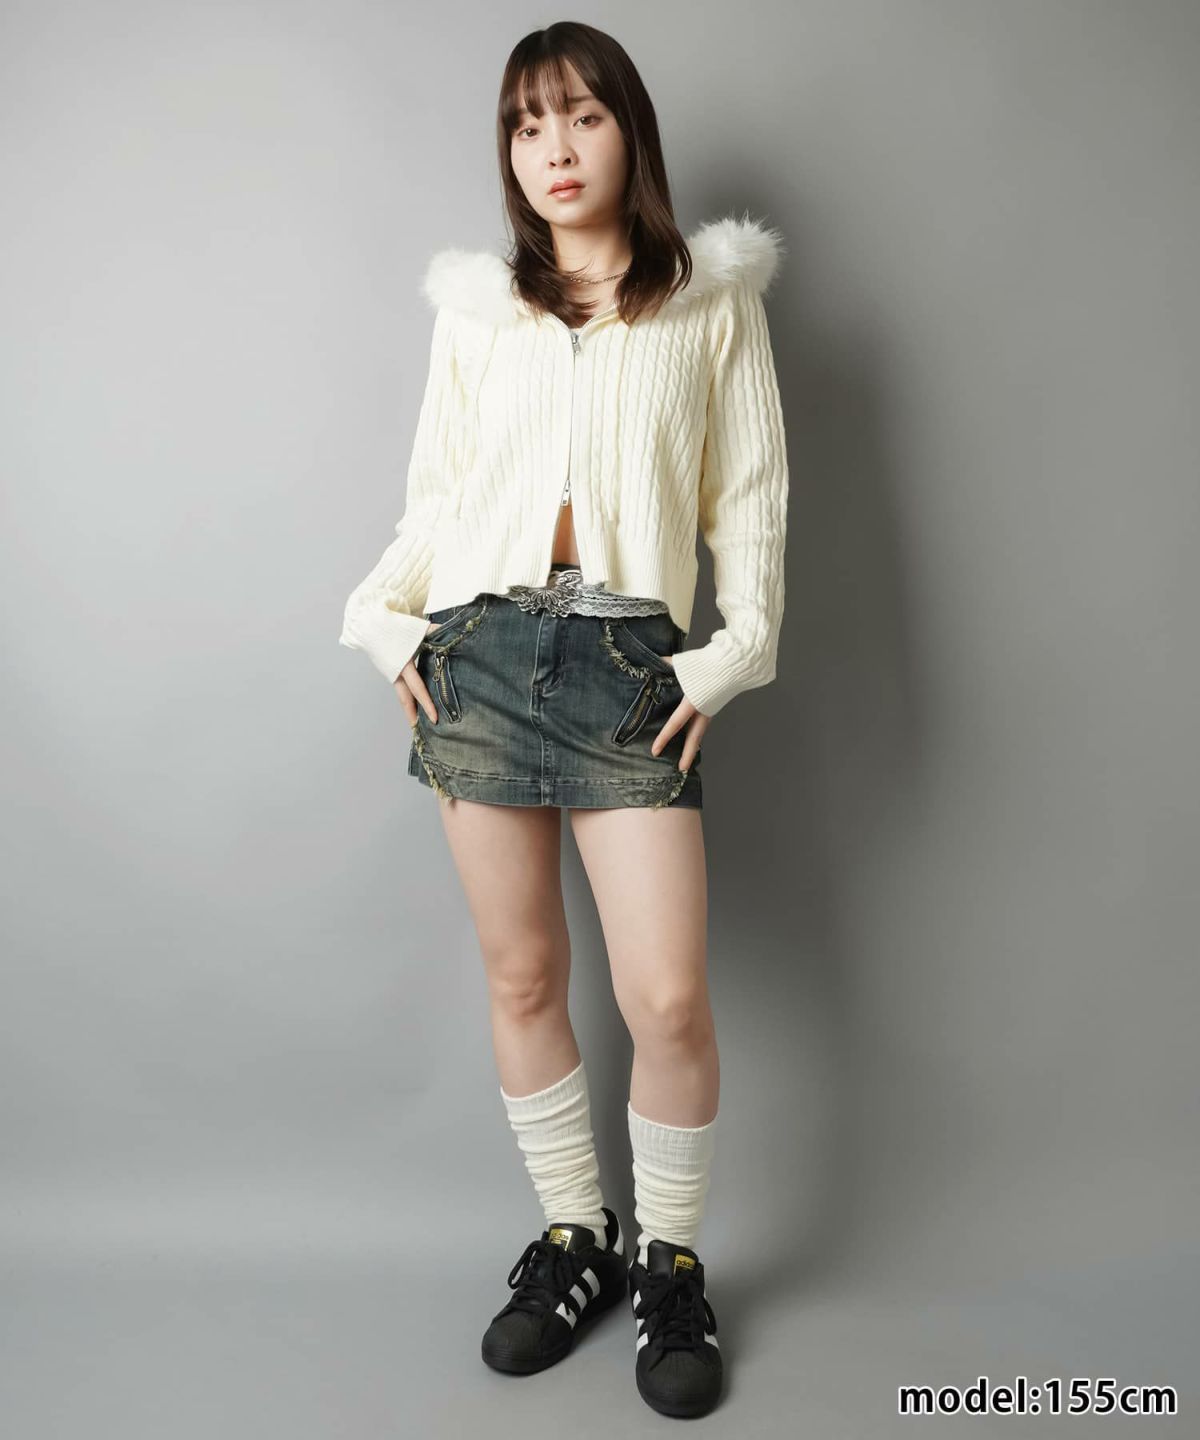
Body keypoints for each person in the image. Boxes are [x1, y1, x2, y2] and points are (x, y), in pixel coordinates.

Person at [338, 21, 788, 1421]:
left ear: (628, 132)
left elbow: (749, 500)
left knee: (667, 998)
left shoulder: (710, 303)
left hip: (629, 670)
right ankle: (575, 1240)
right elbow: (436, 499)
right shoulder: (479, 312)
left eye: (581, 116)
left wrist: (732, 656)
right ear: (509, 153)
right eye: (527, 124)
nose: (554, 148)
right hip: (478, 656)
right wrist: (378, 617)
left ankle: (671, 1263)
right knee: (525, 978)